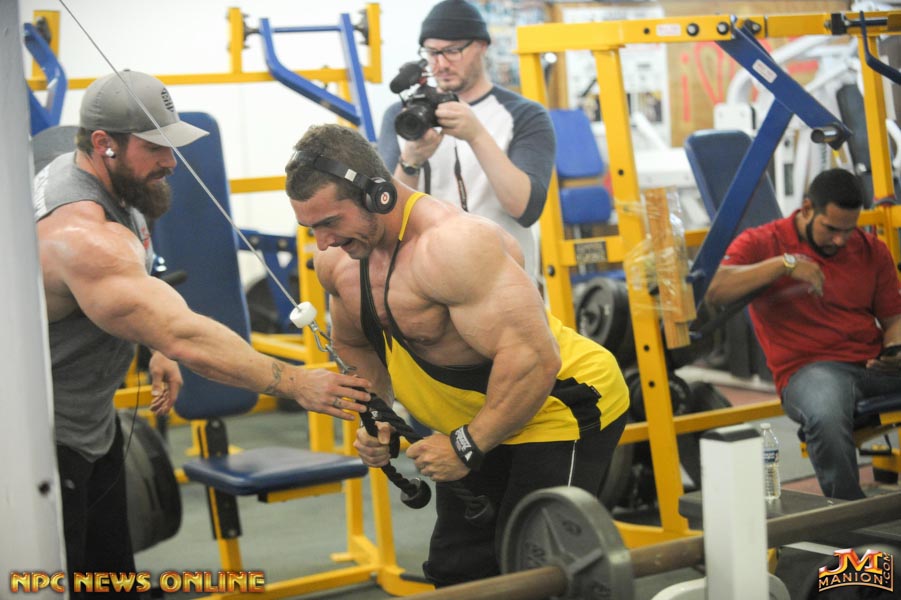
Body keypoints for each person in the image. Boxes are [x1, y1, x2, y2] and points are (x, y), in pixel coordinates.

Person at [33, 71, 372, 595]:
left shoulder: (110, 176)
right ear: (104, 143)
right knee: (53, 582)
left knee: (110, 576)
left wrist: (152, 344)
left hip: (90, 424)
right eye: (155, 148)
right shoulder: (82, 234)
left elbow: (138, 290)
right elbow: (184, 333)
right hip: (43, 440)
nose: (171, 161)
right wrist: (295, 382)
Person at [285, 123, 628, 586]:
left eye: (330, 222)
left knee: (536, 571)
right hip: (470, 422)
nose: (323, 242)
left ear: (378, 195)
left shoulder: (452, 245)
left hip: (558, 407)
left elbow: (533, 360)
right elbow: (357, 344)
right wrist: (379, 415)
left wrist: (467, 446)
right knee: (458, 571)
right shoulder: (338, 261)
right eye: (311, 228)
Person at [705, 168, 901, 500]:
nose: (840, 240)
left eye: (849, 230)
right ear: (807, 209)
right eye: (831, 229)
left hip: (874, 365)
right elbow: (714, 289)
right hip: (811, 372)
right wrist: (785, 265)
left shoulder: (871, 249)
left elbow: (893, 318)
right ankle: (848, 515)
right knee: (825, 413)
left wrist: (895, 349)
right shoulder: (763, 242)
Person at [377, 0, 555, 284]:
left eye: (453, 51)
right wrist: (410, 162)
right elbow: (384, 218)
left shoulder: (524, 115)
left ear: (482, 46)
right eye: (432, 53)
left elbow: (526, 209)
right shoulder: (402, 117)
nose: (441, 64)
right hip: (424, 283)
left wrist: (476, 135)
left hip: (503, 282)